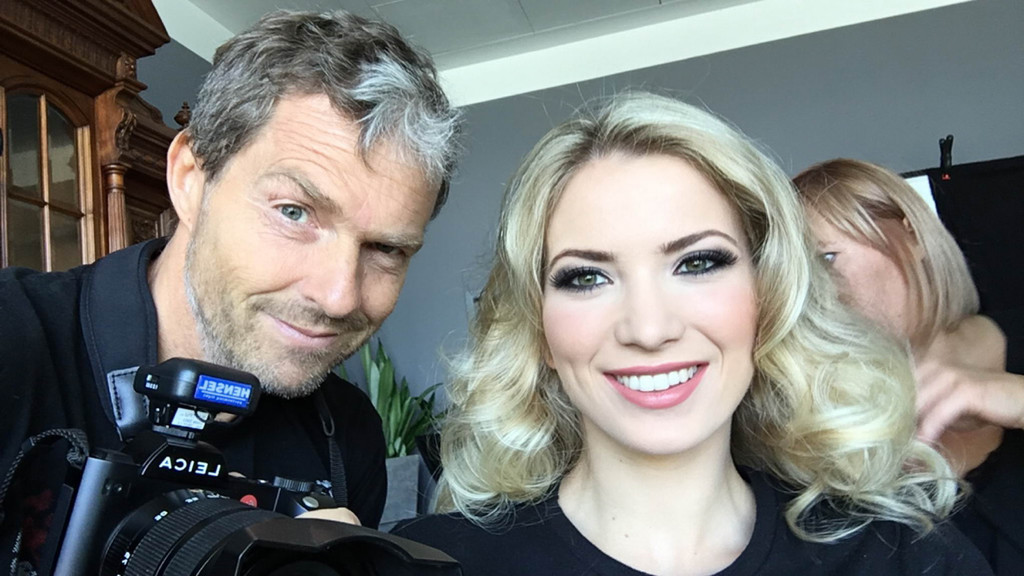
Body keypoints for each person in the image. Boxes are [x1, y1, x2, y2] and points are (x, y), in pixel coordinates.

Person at [392, 92, 990, 575]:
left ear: (768, 295)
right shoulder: (433, 565)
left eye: (698, 263)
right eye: (586, 277)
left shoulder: (905, 557)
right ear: (540, 328)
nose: (649, 329)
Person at [0, 9, 459, 572]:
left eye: (386, 249)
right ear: (191, 180)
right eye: (294, 212)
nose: (339, 296)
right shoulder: (14, 344)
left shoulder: (346, 430)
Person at [794, 158, 1024, 575]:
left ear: (911, 232)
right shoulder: (811, 433)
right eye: (792, 281)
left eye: (825, 259)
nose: (809, 298)